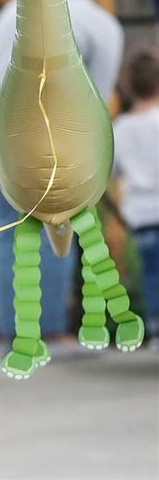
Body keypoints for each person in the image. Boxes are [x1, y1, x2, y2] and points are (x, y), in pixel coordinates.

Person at [0, 0, 124, 350]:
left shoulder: (18, 4)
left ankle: (13, 335)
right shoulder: (101, 24)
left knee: (7, 224)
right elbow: (95, 107)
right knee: (58, 218)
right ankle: (49, 331)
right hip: (41, 119)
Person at [113, 49, 159, 350]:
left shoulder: (121, 128)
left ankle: (156, 326)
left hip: (141, 214)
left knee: (152, 273)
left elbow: (112, 169)